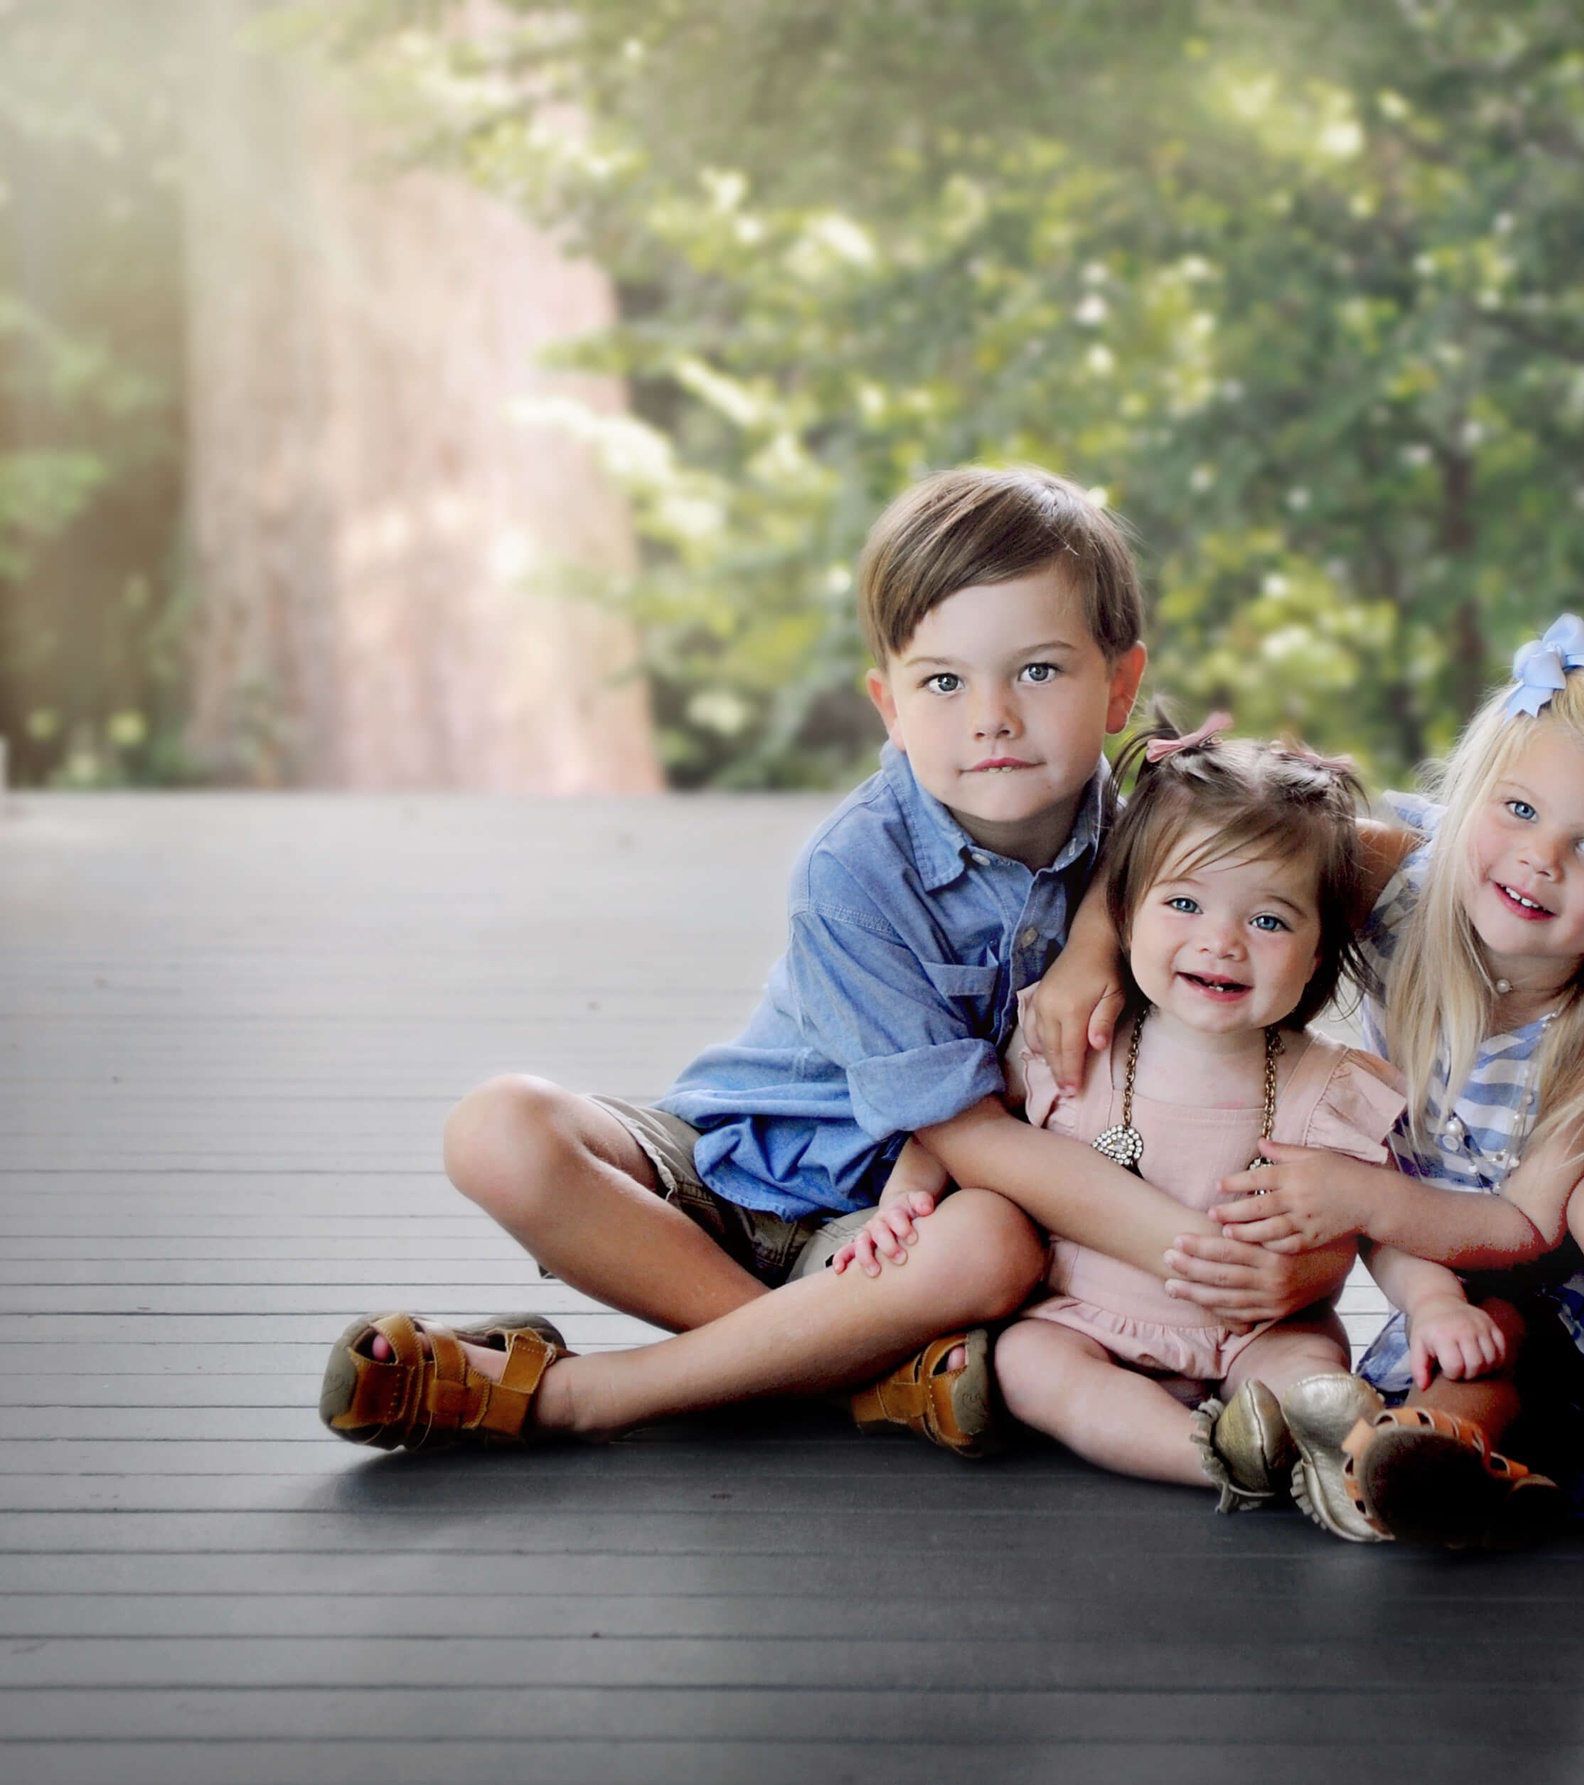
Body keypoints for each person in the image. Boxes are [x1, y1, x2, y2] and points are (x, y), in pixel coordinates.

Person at [317, 465, 1342, 1452]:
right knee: (496, 1129)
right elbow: (975, 1138)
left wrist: (1098, 931)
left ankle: (594, 1394)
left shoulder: (1154, 845)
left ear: (1121, 685)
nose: (991, 715)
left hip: (903, 1230)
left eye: (1038, 670)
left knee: (990, 1241)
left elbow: (1349, 836)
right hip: (738, 1165)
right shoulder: (855, 867)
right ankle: (836, 1371)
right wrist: (1204, 1262)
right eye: (941, 681)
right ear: (888, 707)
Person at [1028, 616, 1584, 1594]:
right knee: (1467, 1339)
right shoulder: (1394, 879)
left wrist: (1359, 1198)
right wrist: (1089, 953)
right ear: (1473, 792)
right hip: (1475, 1257)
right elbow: (1196, 840)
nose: (1538, 858)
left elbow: (1525, 1224)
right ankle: (1440, 1459)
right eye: (1517, 809)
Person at [853, 717, 1508, 1516]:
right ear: (1124, 915)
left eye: (1268, 920)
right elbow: (967, 1122)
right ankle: (1218, 1458)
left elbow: (1383, 1221)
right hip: (1084, 1315)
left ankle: (1338, 1451)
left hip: (1262, 1328)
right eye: (1186, 903)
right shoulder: (1074, 1040)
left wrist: (1435, 1301)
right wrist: (906, 1195)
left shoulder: (1329, 1086)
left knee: (1312, 1373)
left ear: (1318, 951)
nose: (1222, 942)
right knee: (1029, 1364)